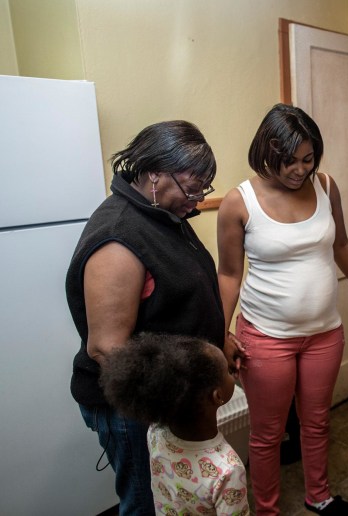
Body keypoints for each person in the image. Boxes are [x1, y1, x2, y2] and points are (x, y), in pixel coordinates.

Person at [216, 103, 348, 516]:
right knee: (268, 434)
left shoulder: (325, 185)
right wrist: (221, 334)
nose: (300, 170)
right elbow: (229, 275)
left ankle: (318, 495)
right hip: (265, 337)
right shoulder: (239, 202)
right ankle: (267, 510)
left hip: (324, 332)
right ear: (266, 153)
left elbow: (341, 244)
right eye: (289, 161)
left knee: (318, 421)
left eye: (308, 159)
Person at [66, 120, 232, 515]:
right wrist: (173, 407)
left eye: (204, 189)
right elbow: (108, 348)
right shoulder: (120, 236)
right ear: (154, 172)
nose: (198, 199)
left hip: (168, 397)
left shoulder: (161, 215)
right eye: (193, 188)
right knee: (147, 504)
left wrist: (218, 342)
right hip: (133, 409)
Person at [100, 333, 249, 515]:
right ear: (217, 396)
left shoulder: (156, 433)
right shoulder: (228, 470)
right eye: (227, 370)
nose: (231, 372)